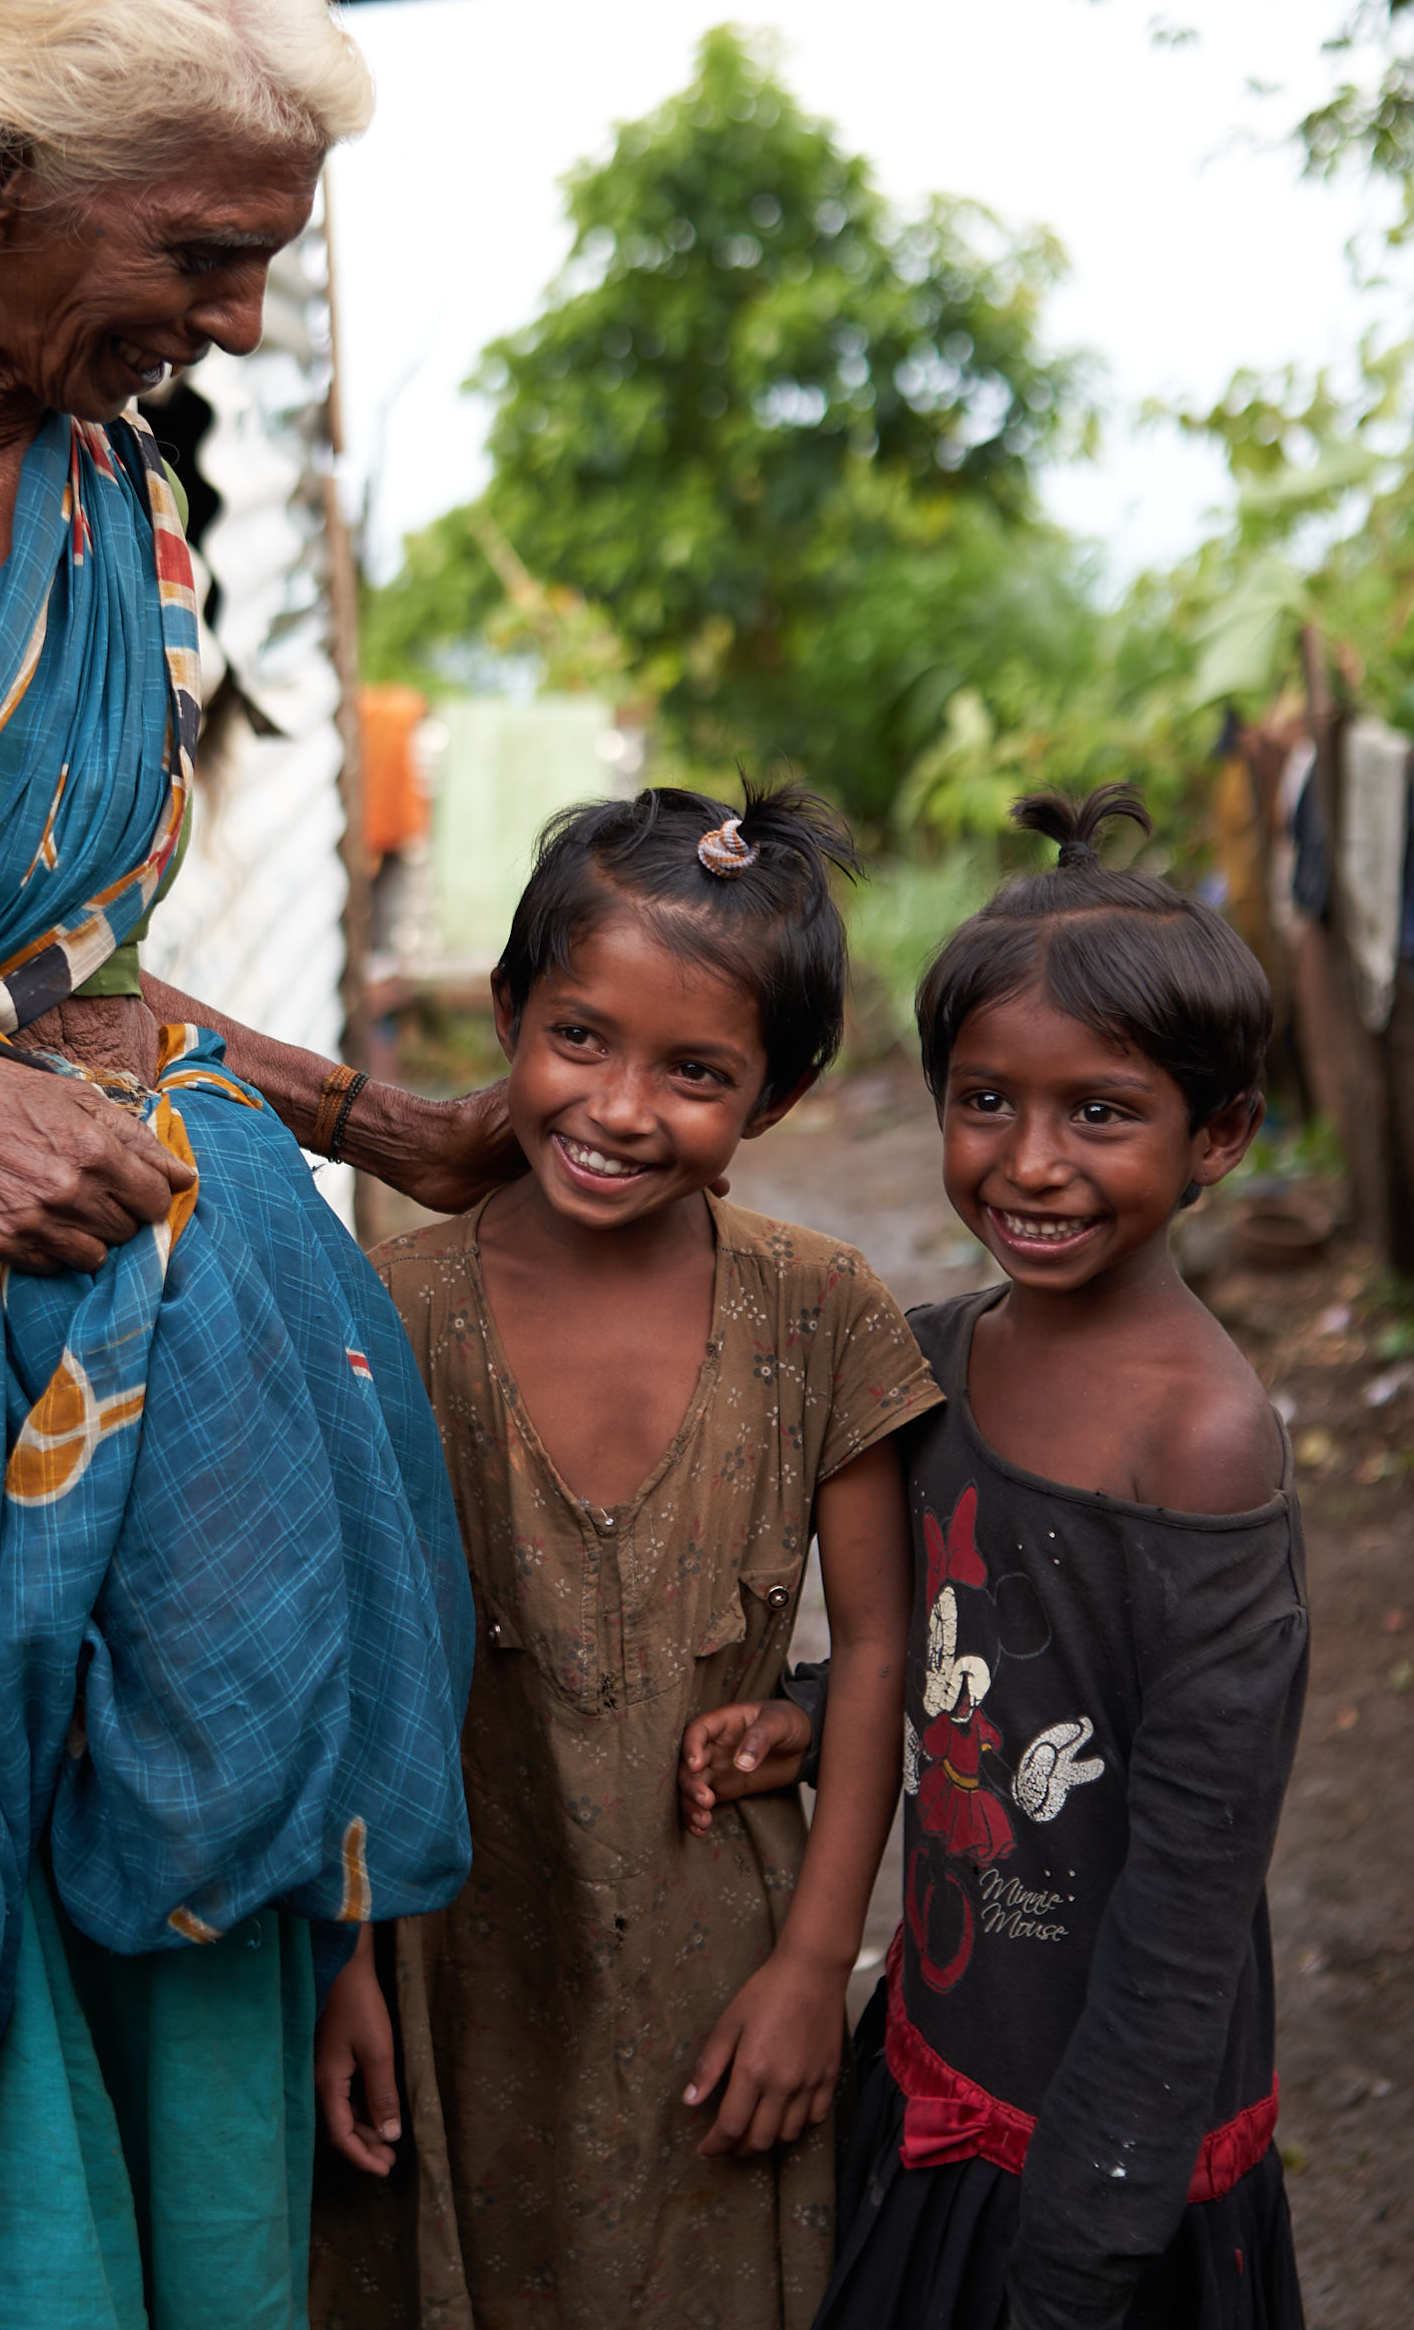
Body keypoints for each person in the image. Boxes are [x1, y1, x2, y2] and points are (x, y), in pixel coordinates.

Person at [0, 0, 506, 2330]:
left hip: (182, 1366)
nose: (248, 316)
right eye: (203, 249)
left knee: (193, 1872)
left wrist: (363, 1117)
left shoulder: (121, 509)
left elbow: (76, 973)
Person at [309, 782, 943, 2330]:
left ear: (775, 1098)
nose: (619, 1107)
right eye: (580, 1037)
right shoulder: (385, 1308)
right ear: (512, 1013)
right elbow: (334, 1653)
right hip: (444, 1967)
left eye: (696, 1071)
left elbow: (876, 1648)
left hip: (720, 1971)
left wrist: (817, 1969)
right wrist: (336, 1970)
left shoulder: (820, 1315)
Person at [683, 785, 1308, 2330]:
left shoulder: (1206, 1444)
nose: (1029, 1164)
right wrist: (827, 1707)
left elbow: (1191, 1880)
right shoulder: (938, 1357)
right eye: (985, 1103)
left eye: (1099, 1112)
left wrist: (1094, 2231)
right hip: (947, 2035)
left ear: (1218, 1135)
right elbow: (978, 1644)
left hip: (1112, 2127)